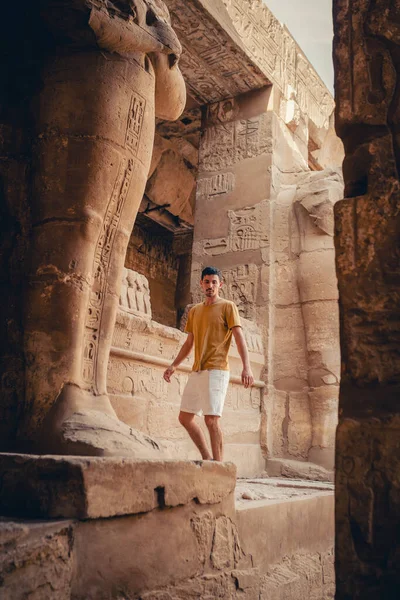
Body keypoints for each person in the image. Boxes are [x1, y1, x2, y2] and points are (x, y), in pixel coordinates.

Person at [163, 266, 254, 461]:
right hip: (197, 370)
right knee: (185, 418)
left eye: (214, 282)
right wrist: (174, 365)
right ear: (201, 284)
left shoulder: (228, 306)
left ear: (220, 285)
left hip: (217, 370)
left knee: (211, 420)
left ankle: (219, 467)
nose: (210, 285)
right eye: (206, 282)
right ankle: (207, 459)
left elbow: (239, 338)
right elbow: (189, 343)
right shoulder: (195, 311)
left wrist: (247, 367)